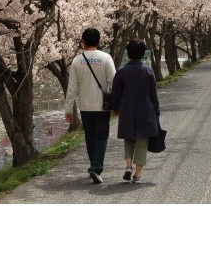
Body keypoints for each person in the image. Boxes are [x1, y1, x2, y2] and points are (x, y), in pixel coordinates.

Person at [64, 28, 116, 184]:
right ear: (99, 41)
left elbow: (72, 86)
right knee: (101, 136)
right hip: (102, 106)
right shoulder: (106, 58)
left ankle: (94, 165)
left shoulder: (76, 61)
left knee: (90, 137)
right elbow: (113, 81)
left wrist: (68, 108)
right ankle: (96, 167)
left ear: (83, 41)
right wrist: (116, 102)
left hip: (85, 106)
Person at [111, 39, 160, 184]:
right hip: (145, 111)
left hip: (127, 111)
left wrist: (115, 108)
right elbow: (153, 94)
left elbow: (115, 93)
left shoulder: (121, 71)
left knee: (129, 139)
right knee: (142, 142)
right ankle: (137, 175)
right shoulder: (148, 70)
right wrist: (157, 112)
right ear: (142, 53)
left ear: (128, 52)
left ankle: (128, 166)